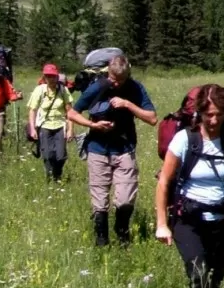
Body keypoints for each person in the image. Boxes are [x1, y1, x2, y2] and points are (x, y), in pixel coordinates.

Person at [154, 85, 224, 288]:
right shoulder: (184, 139)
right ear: (199, 113)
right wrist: (161, 224)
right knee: (199, 273)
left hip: (221, 219)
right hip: (188, 219)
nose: (214, 120)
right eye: (209, 114)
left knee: (214, 281)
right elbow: (164, 182)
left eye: (219, 114)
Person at [67, 55, 157, 247]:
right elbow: (72, 113)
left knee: (125, 199)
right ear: (108, 71)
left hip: (125, 148)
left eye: (120, 80)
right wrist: (94, 124)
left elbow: (152, 118)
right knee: (99, 199)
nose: (115, 83)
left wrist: (128, 104)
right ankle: (102, 240)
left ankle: (122, 230)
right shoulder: (97, 86)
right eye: (113, 78)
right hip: (97, 148)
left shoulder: (135, 88)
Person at [27, 64, 74, 181]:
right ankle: (50, 177)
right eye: (48, 76)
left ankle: (57, 175)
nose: (50, 79)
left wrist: (70, 130)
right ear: (44, 77)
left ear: (57, 76)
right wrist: (32, 129)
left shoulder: (63, 90)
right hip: (44, 125)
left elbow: (70, 112)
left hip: (60, 125)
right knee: (48, 155)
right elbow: (32, 110)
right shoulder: (40, 90)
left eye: (52, 76)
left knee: (61, 156)